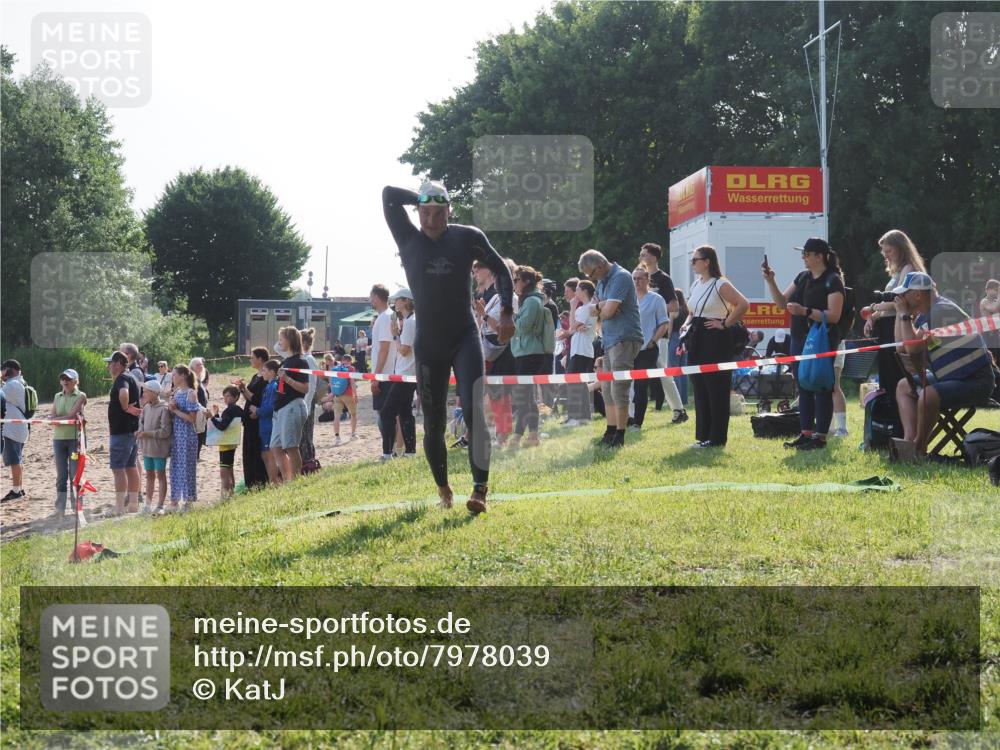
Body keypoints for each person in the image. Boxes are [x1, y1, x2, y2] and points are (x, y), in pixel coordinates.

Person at [382, 180, 514, 514]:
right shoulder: (408, 237)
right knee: (435, 423)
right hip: (429, 344)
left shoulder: (467, 236)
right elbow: (388, 195)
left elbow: (501, 270)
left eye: (438, 212)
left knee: (473, 409)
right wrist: (423, 197)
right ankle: (443, 488)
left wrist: (509, 313)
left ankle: (480, 489)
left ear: (449, 211)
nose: (430, 219)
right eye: (424, 212)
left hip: (463, 337)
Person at [892, 272, 996, 459]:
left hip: (976, 380)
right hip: (951, 377)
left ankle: (918, 448)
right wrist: (902, 316)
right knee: (903, 387)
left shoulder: (939, 311)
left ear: (917, 295)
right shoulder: (928, 314)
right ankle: (908, 442)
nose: (901, 298)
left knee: (928, 394)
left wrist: (904, 315)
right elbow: (902, 347)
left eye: (904, 293)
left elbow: (911, 348)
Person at [764, 238, 845, 451]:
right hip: (799, 337)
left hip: (822, 339)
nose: (804, 258)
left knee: (821, 385)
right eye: (804, 254)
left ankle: (820, 437)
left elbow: (834, 315)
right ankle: (805, 433)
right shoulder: (802, 277)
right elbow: (781, 303)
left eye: (807, 254)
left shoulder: (833, 280)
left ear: (820, 256)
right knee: (804, 386)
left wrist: (806, 311)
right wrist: (771, 281)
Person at [682, 245, 750, 448]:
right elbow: (692, 311)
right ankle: (703, 436)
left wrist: (725, 323)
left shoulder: (720, 284)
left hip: (715, 339)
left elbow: (743, 304)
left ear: (707, 261)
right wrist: (686, 324)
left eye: (696, 260)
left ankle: (717, 438)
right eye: (692, 260)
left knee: (716, 389)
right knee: (700, 387)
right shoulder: (696, 284)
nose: (693, 263)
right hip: (696, 337)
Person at [578, 250, 644, 449]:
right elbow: (592, 308)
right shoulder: (602, 281)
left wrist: (602, 307)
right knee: (606, 388)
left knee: (619, 387)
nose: (591, 279)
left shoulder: (621, 277)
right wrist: (602, 307)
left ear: (599, 266)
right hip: (609, 339)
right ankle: (610, 430)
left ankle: (621, 434)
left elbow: (606, 312)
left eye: (590, 274)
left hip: (625, 338)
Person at [864, 230, 928, 414]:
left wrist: (874, 308)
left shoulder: (908, 269)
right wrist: (873, 317)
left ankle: (896, 416)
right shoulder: (897, 272)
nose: (885, 255)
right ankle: (888, 416)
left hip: (897, 327)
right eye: (883, 251)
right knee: (886, 375)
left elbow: (899, 301)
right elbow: (889, 303)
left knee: (894, 374)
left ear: (901, 249)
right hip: (886, 325)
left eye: (889, 251)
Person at [638, 243, 687, 423]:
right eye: (641, 254)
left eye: (645, 254)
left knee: (664, 374)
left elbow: (674, 306)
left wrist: (654, 307)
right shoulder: (637, 276)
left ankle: (679, 410)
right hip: (638, 335)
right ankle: (630, 414)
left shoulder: (663, 279)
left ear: (655, 257)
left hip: (659, 335)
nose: (642, 256)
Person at [510, 266, 553, 449]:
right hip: (525, 353)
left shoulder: (532, 301)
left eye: (516, 280)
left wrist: (509, 317)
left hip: (530, 354)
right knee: (526, 397)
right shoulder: (529, 300)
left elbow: (524, 326)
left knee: (524, 397)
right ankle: (530, 436)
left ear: (526, 282)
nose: (514, 284)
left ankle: (521, 436)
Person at [475, 259, 517, 447]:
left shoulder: (511, 299)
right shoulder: (494, 297)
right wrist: (480, 315)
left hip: (503, 351)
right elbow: (482, 327)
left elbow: (503, 330)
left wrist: (484, 315)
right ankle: (499, 434)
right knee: (494, 395)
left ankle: (503, 436)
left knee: (501, 395)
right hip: (491, 350)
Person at [379, 288, 418, 460]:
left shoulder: (410, 322)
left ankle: (387, 453)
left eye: (398, 300)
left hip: (405, 374)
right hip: (407, 373)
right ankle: (410, 452)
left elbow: (403, 350)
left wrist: (395, 336)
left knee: (387, 412)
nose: (395, 303)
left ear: (406, 301)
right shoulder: (411, 320)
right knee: (405, 413)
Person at [630, 267, 670, 431]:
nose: (637, 282)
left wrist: (654, 341)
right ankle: (627, 417)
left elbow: (664, 323)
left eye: (640, 278)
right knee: (625, 386)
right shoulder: (628, 298)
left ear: (647, 280)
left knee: (640, 386)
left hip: (647, 349)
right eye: (634, 278)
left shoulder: (656, 299)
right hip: (628, 349)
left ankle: (637, 423)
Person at [104, 351, 142, 514]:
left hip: (121, 431)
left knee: (118, 469)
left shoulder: (122, 379)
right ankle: (133, 505)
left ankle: (119, 508)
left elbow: (123, 393)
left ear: (118, 363)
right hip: (131, 430)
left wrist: (125, 408)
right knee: (131, 467)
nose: (108, 366)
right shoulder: (131, 376)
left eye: (110, 363)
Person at [271, 326, 310, 481]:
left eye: (282, 338)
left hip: (292, 406)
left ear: (290, 340)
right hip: (280, 408)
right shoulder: (286, 360)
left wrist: (287, 379)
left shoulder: (300, 361)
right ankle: (288, 478)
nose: (279, 342)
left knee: (291, 446)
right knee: (275, 446)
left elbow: (304, 388)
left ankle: (296, 480)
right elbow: (276, 346)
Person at [48, 368, 87, 518]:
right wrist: (55, 419)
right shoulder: (57, 396)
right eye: (63, 378)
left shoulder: (81, 395)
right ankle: (60, 509)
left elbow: (71, 416)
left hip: (74, 440)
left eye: (69, 379)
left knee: (74, 475)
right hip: (58, 439)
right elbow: (53, 415)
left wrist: (55, 420)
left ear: (76, 381)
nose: (65, 381)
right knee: (61, 475)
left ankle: (77, 507)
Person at [562, 280, 597, 426]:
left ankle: (574, 417)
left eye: (577, 289)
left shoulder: (584, 309)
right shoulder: (590, 308)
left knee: (573, 382)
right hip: (585, 350)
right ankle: (584, 417)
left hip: (580, 350)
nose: (575, 292)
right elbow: (576, 328)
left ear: (584, 291)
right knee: (581, 383)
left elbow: (571, 327)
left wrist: (572, 308)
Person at [166, 364, 201, 512]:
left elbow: (192, 418)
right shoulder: (177, 392)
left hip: (187, 435)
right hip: (177, 435)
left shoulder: (191, 393)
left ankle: (189, 501)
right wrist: (170, 408)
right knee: (175, 467)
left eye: (174, 375)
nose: (172, 377)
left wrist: (175, 410)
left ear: (183, 376)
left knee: (187, 467)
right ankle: (174, 501)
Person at [235, 347, 269, 490]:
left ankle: (259, 482)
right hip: (249, 419)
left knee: (255, 452)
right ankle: (251, 482)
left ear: (260, 359)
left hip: (257, 419)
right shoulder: (256, 376)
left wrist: (244, 389)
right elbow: (249, 397)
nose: (251, 360)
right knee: (248, 452)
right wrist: (242, 388)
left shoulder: (264, 378)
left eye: (253, 357)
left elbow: (255, 398)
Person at [136, 379, 170, 514]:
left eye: (146, 391)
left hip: (159, 449)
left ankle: (160, 505)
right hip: (147, 449)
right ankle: (147, 504)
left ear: (155, 393)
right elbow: (141, 423)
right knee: (149, 475)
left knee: (160, 475)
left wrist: (146, 433)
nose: (144, 393)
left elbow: (165, 431)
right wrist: (140, 432)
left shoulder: (164, 409)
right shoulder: (146, 407)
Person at [369, 284, 397, 438]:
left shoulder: (386, 317)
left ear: (376, 297)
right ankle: (392, 448)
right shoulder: (386, 316)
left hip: (385, 375)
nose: (369, 300)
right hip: (386, 373)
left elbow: (384, 349)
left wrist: (376, 377)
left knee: (385, 416)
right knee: (387, 415)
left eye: (371, 297)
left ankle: (390, 450)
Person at [1, 360, 30, 504]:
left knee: (14, 460)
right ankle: (19, 488)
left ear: (10, 370)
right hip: (19, 427)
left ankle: (16, 490)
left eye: (4, 370)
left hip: (13, 428)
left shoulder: (12, 385)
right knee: (17, 459)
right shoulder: (20, 383)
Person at [211, 386, 244, 498]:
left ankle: (225, 496)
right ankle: (231, 494)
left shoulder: (230, 410)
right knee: (230, 470)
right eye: (224, 396)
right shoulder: (238, 409)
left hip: (226, 445)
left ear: (235, 397)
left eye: (228, 396)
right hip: (232, 444)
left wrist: (211, 417)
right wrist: (216, 415)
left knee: (224, 472)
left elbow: (222, 427)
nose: (225, 399)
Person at [253, 360, 281, 484]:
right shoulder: (267, 386)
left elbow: (271, 407)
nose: (262, 373)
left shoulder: (274, 386)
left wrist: (257, 411)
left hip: (270, 425)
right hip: (263, 425)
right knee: (265, 456)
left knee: (270, 456)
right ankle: (273, 481)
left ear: (272, 372)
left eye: (264, 370)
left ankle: (274, 482)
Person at [320, 354, 358, 443]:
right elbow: (352, 383)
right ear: (350, 361)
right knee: (353, 414)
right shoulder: (351, 368)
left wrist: (333, 393)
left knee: (336, 416)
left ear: (342, 360)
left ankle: (337, 437)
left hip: (337, 395)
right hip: (348, 394)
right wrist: (355, 395)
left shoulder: (335, 368)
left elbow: (331, 382)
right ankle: (353, 434)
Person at [297, 327, 321, 470]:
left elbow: (312, 386)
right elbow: (277, 347)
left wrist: (305, 405)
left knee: (306, 435)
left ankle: (308, 463)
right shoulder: (300, 357)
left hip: (307, 402)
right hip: (301, 402)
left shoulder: (309, 359)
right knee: (300, 437)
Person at [668, 290, 690, 406]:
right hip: (684, 340)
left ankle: (677, 400)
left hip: (675, 339)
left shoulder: (674, 311)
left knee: (674, 369)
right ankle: (684, 399)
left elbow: (670, 329)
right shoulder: (687, 311)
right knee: (683, 369)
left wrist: (668, 340)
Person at [980, 279, 1000, 365]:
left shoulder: (996, 301)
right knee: (992, 361)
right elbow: (994, 308)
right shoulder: (984, 301)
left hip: (996, 335)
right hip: (988, 335)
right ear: (988, 290)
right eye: (996, 290)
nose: (997, 292)